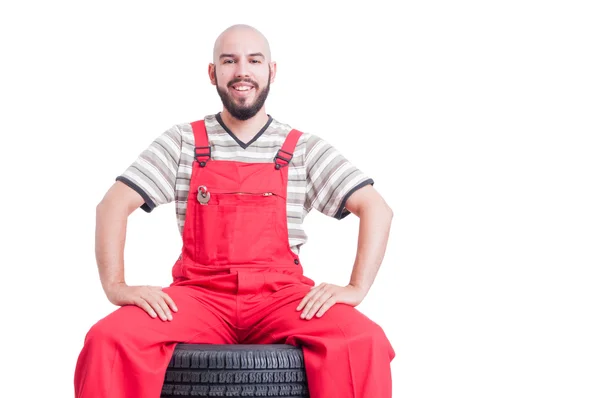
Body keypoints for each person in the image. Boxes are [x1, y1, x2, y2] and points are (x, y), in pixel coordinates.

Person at [74, 24, 396, 398]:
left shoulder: (302, 149)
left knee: (363, 340)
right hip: (199, 296)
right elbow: (112, 204)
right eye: (229, 61)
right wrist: (117, 287)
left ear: (271, 71)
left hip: (282, 297)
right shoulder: (184, 142)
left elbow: (376, 208)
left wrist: (356, 288)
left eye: (253, 60)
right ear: (213, 73)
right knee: (108, 339)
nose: (242, 71)